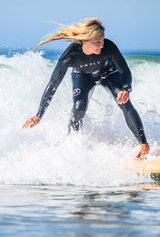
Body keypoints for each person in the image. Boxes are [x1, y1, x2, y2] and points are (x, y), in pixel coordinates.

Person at [22, 18, 149, 159]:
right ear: (85, 40)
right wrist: (39, 115)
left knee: (124, 101)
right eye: (97, 42)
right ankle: (72, 147)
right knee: (78, 109)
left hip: (108, 73)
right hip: (82, 77)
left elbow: (124, 70)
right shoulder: (69, 58)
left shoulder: (109, 47)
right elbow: (53, 85)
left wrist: (126, 89)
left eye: (102, 40)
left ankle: (144, 146)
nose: (102, 45)